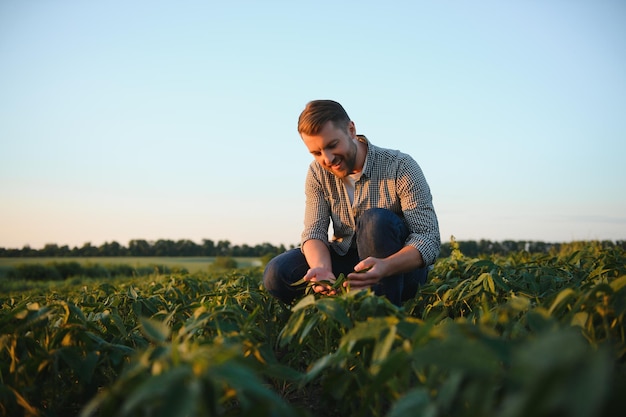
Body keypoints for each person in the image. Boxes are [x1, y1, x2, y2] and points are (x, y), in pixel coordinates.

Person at [263, 100, 440, 306]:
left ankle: (381, 318)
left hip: (397, 269)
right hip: (346, 261)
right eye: (317, 153)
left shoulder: (400, 166)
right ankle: (337, 308)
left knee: (376, 221)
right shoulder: (317, 173)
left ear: (351, 130)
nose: (327, 159)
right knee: (277, 273)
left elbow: (428, 238)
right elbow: (314, 232)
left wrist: (385, 266)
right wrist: (323, 269)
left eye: (332, 145)